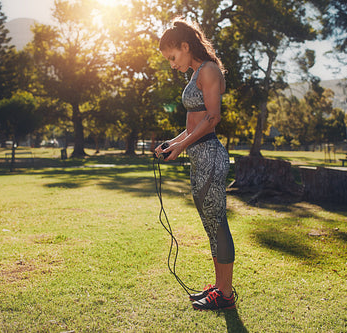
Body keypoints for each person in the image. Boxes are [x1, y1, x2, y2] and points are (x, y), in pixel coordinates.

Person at [156, 18, 236, 311]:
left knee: (218, 225)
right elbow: (193, 124)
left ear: (185, 46)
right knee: (210, 226)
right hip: (198, 157)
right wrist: (171, 143)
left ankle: (226, 295)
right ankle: (219, 287)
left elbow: (212, 118)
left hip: (210, 156)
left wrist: (180, 145)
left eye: (173, 57)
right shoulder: (196, 74)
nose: (172, 65)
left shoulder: (209, 71)